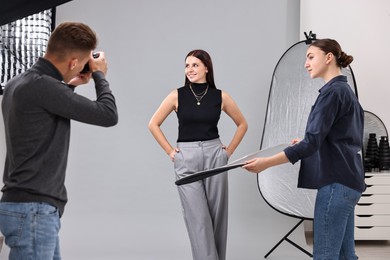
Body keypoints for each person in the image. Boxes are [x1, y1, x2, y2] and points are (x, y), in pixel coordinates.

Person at [0, 22, 118, 259]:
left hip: (22, 205)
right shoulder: (44, 87)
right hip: (34, 210)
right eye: (82, 64)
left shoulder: (18, 83)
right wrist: (99, 76)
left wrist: (70, 85)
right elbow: (108, 114)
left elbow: (44, 114)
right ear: (74, 62)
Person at [243, 39, 365, 260]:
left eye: (310, 57)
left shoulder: (331, 93)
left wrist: (265, 163)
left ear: (328, 57)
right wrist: (308, 141)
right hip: (350, 183)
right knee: (347, 257)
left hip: (336, 185)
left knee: (325, 256)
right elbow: (343, 138)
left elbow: (312, 143)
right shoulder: (345, 91)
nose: (306, 63)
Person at [148, 49, 247, 260]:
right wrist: (170, 151)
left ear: (206, 68)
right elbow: (153, 124)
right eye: (187, 65)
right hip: (187, 158)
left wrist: (227, 152)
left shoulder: (220, 96)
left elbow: (242, 124)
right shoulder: (177, 95)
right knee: (198, 220)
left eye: (194, 65)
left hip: (215, 156)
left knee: (217, 218)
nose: (189, 69)